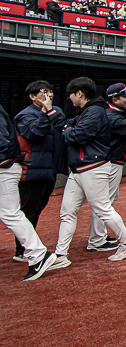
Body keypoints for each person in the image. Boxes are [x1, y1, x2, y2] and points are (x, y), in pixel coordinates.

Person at [52, 77, 126, 268]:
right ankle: (60, 254)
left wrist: (67, 131)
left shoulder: (95, 111)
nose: (69, 98)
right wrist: (63, 123)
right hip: (79, 167)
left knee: (103, 208)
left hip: (93, 166)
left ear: (80, 94)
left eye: (71, 94)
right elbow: (67, 124)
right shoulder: (89, 110)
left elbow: (76, 135)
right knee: (67, 211)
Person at [86, 83, 126, 252]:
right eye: (125, 97)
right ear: (114, 99)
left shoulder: (112, 113)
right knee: (105, 202)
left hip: (112, 161)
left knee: (105, 201)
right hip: (110, 161)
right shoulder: (110, 115)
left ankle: (98, 236)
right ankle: (96, 240)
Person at [2, 99, 58, 281]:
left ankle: (39, 254)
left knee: (10, 213)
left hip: (5, 167)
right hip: (8, 165)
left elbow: (3, 145)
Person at [12, 81, 66, 264]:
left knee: (38, 208)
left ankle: (29, 247)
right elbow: (34, 133)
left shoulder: (56, 111)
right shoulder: (25, 116)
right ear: (33, 96)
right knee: (29, 211)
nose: (48, 95)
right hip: (32, 170)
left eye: (50, 92)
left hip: (49, 169)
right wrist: (45, 113)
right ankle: (23, 250)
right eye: (43, 92)